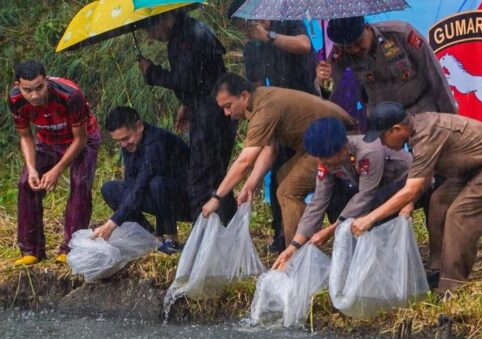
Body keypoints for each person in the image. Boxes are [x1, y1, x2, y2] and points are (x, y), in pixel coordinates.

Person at [351, 102, 482, 294]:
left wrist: (369, 218)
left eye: (383, 137)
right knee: (439, 201)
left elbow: (410, 188)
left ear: (397, 129)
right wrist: (409, 204)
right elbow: (423, 175)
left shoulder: (427, 135)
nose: (383, 144)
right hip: (473, 168)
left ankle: (452, 285)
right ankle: (438, 269)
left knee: (459, 215)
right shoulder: (418, 130)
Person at [202, 73, 357, 249]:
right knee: (283, 176)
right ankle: (299, 243)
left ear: (244, 95)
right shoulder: (261, 100)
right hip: (319, 143)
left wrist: (217, 197)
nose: (227, 113)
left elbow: (245, 160)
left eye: (228, 106)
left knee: (287, 191)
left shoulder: (265, 108)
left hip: (336, 140)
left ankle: (297, 257)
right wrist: (250, 185)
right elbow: (270, 149)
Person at [227, 0, 319, 252]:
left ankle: (323, 228)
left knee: (320, 173)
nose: (246, 30)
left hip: (306, 106)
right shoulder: (252, 49)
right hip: (279, 115)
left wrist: (269, 36)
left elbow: (304, 44)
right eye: (240, 28)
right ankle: (282, 233)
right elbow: (254, 86)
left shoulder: (286, 20)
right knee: (277, 175)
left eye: (246, 24)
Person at [271, 117, 412, 270]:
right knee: (335, 199)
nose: (325, 164)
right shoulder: (325, 160)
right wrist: (294, 245)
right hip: (374, 191)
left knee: (369, 212)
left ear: (343, 148)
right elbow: (319, 200)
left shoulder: (369, 151)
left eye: (328, 161)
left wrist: (333, 229)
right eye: (321, 160)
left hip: (405, 185)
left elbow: (366, 197)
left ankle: (385, 264)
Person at [138, 10, 238, 224]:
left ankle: (206, 234)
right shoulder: (190, 29)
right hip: (210, 109)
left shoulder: (185, 38)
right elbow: (202, 77)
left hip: (212, 116)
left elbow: (185, 79)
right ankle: (227, 228)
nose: (151, 36)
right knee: (216, 176)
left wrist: (152, 73)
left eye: (151, 29)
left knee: (201, 179)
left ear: (165, 18)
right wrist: (187, 105)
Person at [8, 60, 101, 265]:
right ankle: (32, 250)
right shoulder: (15, 99)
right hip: (47, 139)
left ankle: (72, 247)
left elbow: (81, 139)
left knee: (79, 184)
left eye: (39, 87)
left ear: (47, 80)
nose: (34, 95)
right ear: (18, 86)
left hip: (81, 139)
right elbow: (25, 137)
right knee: (26, 183)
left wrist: (57, 170)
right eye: (27, 90)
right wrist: (32, 168)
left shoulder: (70, 95)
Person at [91, 107, 191, 254]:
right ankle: (151, 238)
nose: (124, 145)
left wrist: (112, 223)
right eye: (118, 141)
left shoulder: (156, 142)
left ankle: (171, 240)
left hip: (186, 201)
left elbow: (141, 185)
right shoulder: (130, 144)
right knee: (110, 189)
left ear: (139, 126)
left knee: (156, 183)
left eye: (126, 138)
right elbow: (131, 183)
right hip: (156, 195)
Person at [316, 16, 457, 115]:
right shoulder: (340, 52)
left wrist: (451, 117)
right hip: (383, 122)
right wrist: (324, 81)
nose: (355, 50)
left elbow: (435, 75)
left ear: (367, 27)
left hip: (421, 110)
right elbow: (327, 94)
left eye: (358, 43)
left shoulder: (401, 34)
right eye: (349, 47)